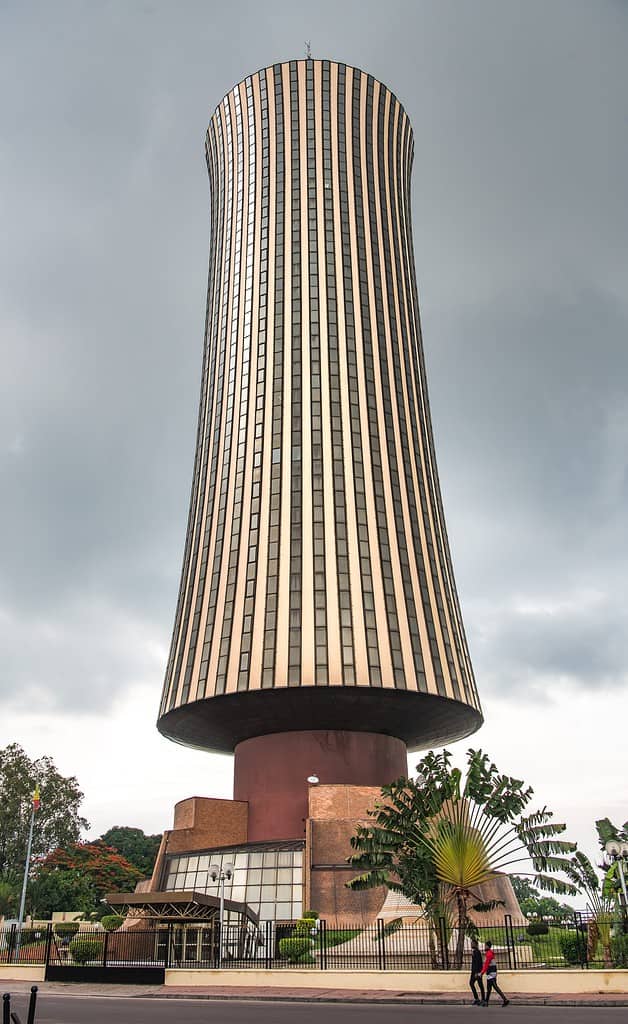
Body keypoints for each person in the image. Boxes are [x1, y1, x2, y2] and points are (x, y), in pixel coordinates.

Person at [480, 940, 510, 1007]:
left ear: (487, 946)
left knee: (494, 986)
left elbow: (486, 964)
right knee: (489, 988)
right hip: (491, 972)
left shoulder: (489, 954)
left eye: (485, 945)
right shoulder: (489, 953)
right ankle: (486, 1002)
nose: (484, 947)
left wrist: (481, 973)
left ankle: (505, 999)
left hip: (491, 972)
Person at [469, 939, 485, 1005]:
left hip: (477, 972)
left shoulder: (477, 952)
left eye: (472, 943)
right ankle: (477, 999)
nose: (471, 944)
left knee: (480, 985)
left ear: (476, 944)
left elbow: (478, 963)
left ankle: (482, 999)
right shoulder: (475, 952)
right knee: (472, 983)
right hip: (474, 971)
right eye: (471, 943)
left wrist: (477, 972)